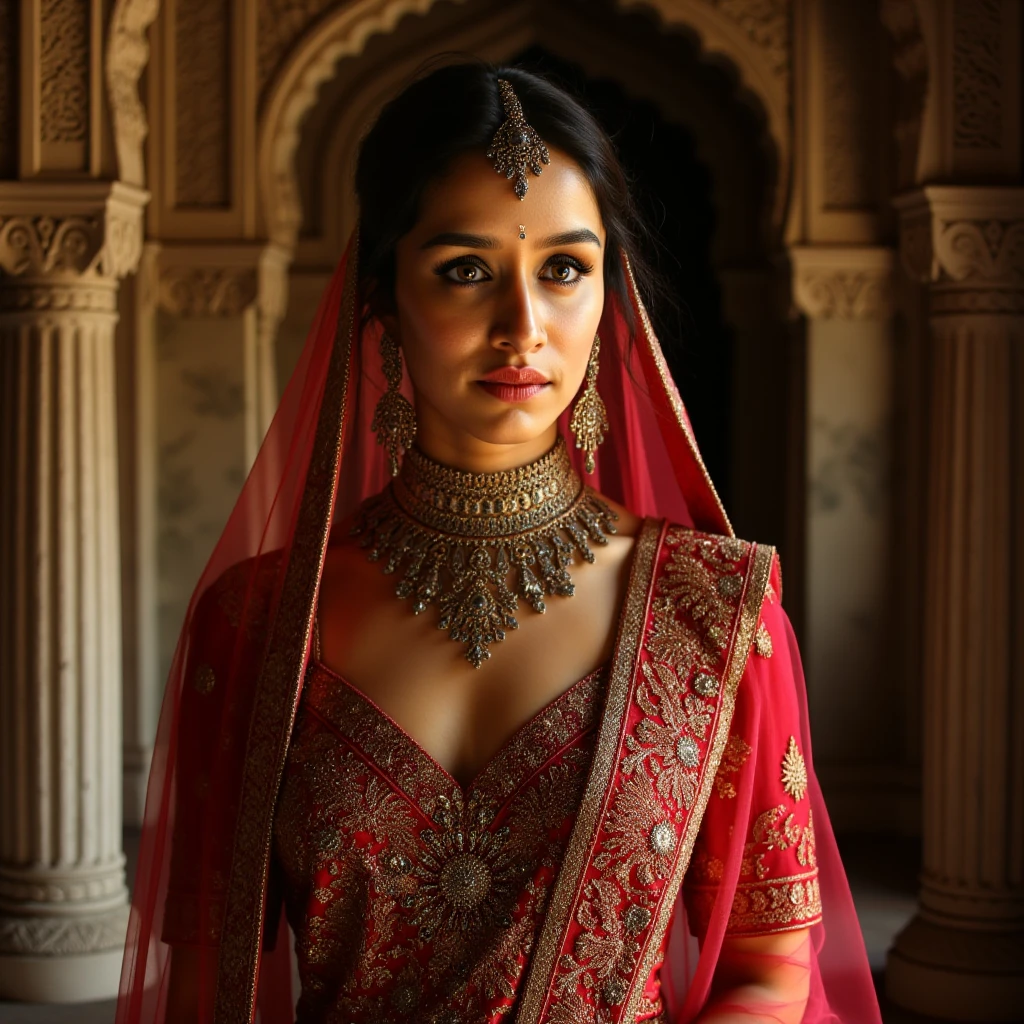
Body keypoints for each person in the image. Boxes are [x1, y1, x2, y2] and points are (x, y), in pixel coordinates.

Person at [117, 62, 882, 1024]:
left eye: (565, 268)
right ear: (383, 299)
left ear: (611, 297)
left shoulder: (714, 612)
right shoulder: (262, 622)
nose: (524, 327)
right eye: (465, 271)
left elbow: (770, 975)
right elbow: (203, 992)